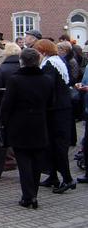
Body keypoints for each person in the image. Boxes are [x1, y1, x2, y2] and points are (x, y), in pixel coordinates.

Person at [0, 48, 54, 209]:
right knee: (37, 161)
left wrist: (3, 122)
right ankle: (34, 194)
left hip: (19, 124)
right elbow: (51, 103)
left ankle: (28, 195)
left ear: (22, 61)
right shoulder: (47, 79)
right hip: (39, 123)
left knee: (24, 162)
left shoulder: (15, 80)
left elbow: (7, 105)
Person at [33, 39, 76, 193]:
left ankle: (68, 178)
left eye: (37, 51)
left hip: (55, 111)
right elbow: (70, 80)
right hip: (61, 108)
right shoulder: (58, 61)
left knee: (57, 145)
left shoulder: (49, 65)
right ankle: (53, 176)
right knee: (52, 144)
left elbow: (47, 86)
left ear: (43, 51)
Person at [0, 42, 21, 178]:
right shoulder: (23, 67)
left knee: (1, 136)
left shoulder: (2, 68)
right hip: (22, 108)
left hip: (5, 107)